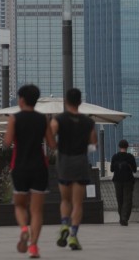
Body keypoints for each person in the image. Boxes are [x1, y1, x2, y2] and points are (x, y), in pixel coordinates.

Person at [5, 84, 55, 260]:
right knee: (37, 211)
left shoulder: (14, 118)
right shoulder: (43, 119)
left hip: (20, 167)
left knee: (19, 205)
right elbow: (51, 144)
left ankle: (24, 229)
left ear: (21, 99)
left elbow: (7, 142)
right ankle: (33, 247)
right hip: (39, 168)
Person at [51, 87, 96, 251]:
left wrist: (55, 146)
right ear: (80, 102)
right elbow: (93, 142)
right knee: (78, 203)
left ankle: (64, 224)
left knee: (65, 200)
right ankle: (73, 236)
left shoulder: (59, 119)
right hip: (80, 162)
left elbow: (50, 135)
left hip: (64, 161)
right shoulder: (88, 122)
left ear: (66, 101)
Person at [110, 139, 137, 226]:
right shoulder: (130, 157)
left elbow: (111, 169)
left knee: (120, 199)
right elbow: (135, 170)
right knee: (127, 200)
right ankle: (124, 218)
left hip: (117, 180)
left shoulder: (115, 156)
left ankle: (121, 217)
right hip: (128, 180)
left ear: (119, 146)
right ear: (127, 146)